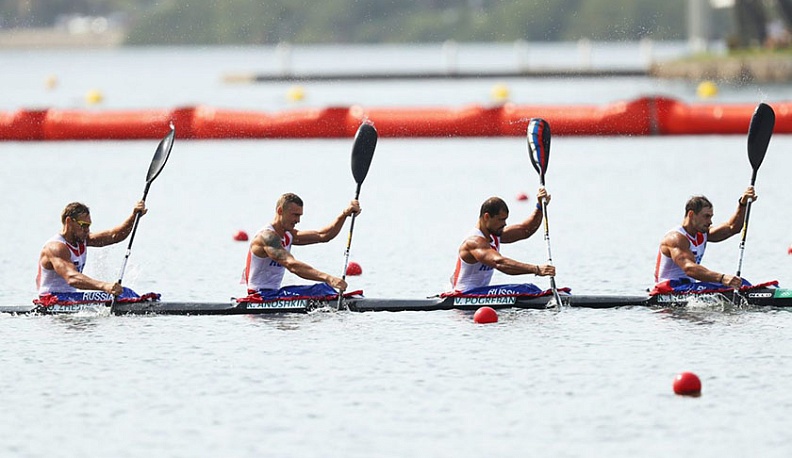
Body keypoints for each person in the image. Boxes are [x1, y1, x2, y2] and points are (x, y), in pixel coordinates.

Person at [244, 193, 360, 294]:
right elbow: (292, 265)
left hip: (274, 294)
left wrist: (344, 214)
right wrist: (329, 278)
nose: (298, 220)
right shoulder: (267, 237)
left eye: (299, 216)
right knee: (321, 290)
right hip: (259, 296)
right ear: (280, 211)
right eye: (295, 215)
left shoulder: (289, 235)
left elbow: (324, 235)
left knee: (323, 290)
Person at [450, 188, 556, 292]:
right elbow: (499, 263)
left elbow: (525, 230)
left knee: (530, 289)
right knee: (526, 289)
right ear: (487, 217)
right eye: (501, 219)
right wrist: (536, 269)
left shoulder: (494, 234)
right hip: (464, 295)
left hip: (479, 294)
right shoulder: (474, 242)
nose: (504, 224)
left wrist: (540, 207)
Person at [37, 201, 147, 296]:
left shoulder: (82, 240)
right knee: (120, 295)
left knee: (125, 293)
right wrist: (105, 286)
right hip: (51, 299)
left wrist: (134, 216)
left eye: (89, 226)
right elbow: (72, 278)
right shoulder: (56, 247)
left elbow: (115, 235)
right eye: (84, 225)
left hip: (70, 297)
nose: (87, 230)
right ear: (69, 222)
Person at [654, 187, 757, 289]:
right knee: (726, 285)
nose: (710, 222)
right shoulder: (675, 238)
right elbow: (689, 268)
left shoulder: (702, 233)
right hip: (669, 288)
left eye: (711, 217)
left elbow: (732, 228)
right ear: (691, 214)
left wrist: (743, 204)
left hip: (688, 286)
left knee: (741, 283)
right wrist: (722, 278)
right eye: (706, 216)